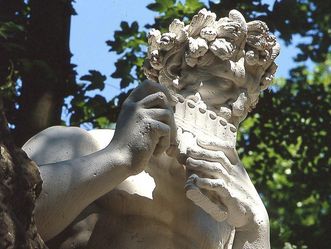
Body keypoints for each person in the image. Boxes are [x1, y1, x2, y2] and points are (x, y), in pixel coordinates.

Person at [22, 8, 279, 249]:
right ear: (175, 74)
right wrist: (120, 157)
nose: (238, 106)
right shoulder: (74, 144)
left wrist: (256, 226)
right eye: (226, 83)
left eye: (249, 95)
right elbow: (12, 213)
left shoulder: (223, 216)